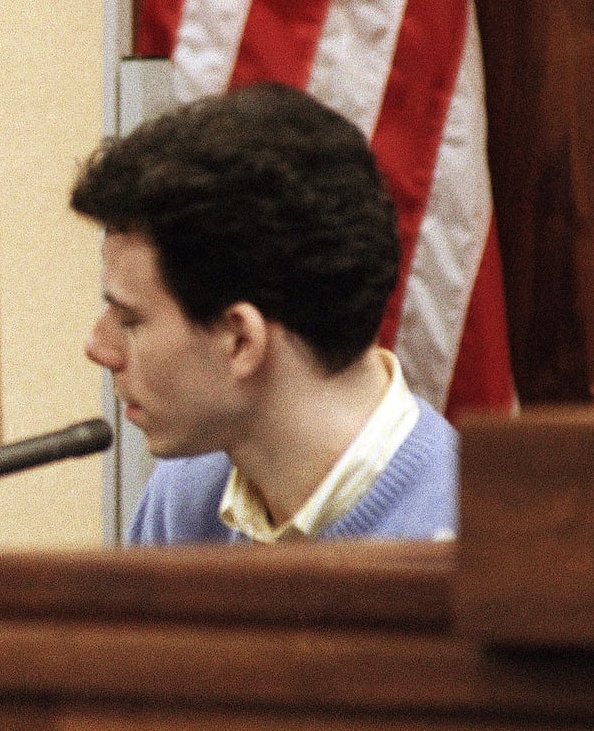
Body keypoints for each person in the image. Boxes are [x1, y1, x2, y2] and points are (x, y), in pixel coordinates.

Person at [69, 82, 458, 545]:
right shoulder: (185, 495)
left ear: (240, 341)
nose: (98, 348)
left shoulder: (475, 542)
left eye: (129, 320)